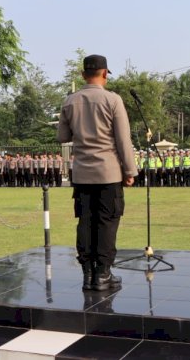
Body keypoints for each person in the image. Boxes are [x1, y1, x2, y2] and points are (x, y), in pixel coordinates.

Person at [57, 54, 136, 292]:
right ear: (105, 74)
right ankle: (103, 275)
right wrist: (130, 170)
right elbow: (123, 140)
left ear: (83, 75)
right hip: (108, 172)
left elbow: (62, 137)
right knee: (107, 223)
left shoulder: (70, 101)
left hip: (82, 173)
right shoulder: (112, 100)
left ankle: (88, 274)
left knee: (85, 222)